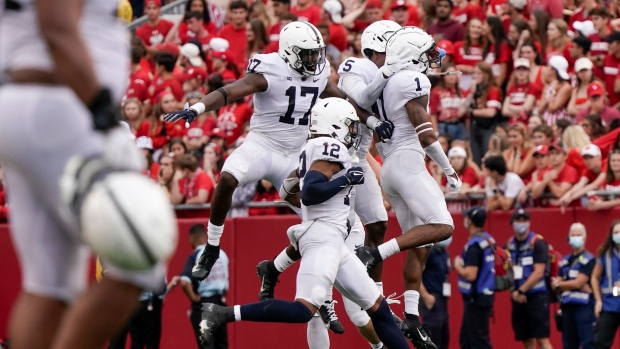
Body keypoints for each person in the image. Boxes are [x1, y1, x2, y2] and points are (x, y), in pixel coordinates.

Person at [164, 21, 395, 281]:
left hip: (297, 155)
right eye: (307, 54)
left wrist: (374, 121)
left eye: (316, 53)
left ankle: (290, 277)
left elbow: (344, 100)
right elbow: (230, 92)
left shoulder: (318, 72)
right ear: (289, 52)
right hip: (263, 145)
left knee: (328, 223)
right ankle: (212, 245)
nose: (314, 60)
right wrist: (197, 108)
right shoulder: (270, 69)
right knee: (228, 178)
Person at [0, 0, 171, 348]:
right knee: (140, 260)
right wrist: (103, 118)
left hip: (36, 105)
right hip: (62, 108)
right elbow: (57, 28)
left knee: (49, 285)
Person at [199, 98, 410, 349]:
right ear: (334, 125)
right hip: (323, 237)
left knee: (380, 309)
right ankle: (222, 314)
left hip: (333, 240)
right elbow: (310, 192)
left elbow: (292, 193)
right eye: (350, 126)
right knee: (303, 310)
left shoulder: (314, 147)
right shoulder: (329, 146)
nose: (353, 132)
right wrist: (344, 182)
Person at [355, 27, 461, 349]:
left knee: (420, 243)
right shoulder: (411, 81)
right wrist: (449, 169)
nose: (432, 57)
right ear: (411, 54)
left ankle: (412, 318)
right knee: (443, 226)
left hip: (390, 166)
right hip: (407, 162)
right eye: (427, 51)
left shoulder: (384, 83)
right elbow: (426, 133)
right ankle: (374, 253)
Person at [505, 209, 553, 349]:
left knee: (543, 340)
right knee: (527, 341)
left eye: (524, 220)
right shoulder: (509, 245)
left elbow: (539, 272)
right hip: (518, 298)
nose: (521, 223)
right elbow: (506, 272)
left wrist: (520, 291)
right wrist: (514, 292)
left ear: (529, 222)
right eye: (518, 220)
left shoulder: (537, 243)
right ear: (512, 223)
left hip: (537, 297)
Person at [179, 224, 229, 349]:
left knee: (206, 345)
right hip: (221, 303)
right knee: (222, 344)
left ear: (192, 238)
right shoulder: (221, 253)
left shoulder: (195, 256)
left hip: (204, 304)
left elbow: (184, 282)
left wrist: (194, 298)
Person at [455, 206, 496, 349]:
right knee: (466, 339)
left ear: (471, 221)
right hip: (484, 296)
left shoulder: (474, 245)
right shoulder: (488, 240)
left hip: (477, 298)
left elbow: (470, 274)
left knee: (479, 342)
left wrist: (457, 266)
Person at [552, 223, 595, 349]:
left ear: (584, 238)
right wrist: (564, 284)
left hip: (584, 307)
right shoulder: (565, 260)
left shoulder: (589, 259)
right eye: (573, 235)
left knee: (588, 343)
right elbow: (554, 284)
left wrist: (561, 284)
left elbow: (578, 282)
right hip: (566, 307)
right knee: (569, 345)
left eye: (578, 235)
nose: (575, 237)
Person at [591, 220, 620, 348]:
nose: (618, 234)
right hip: (610, 305)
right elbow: (595, 278)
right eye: (616, 232)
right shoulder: (605, 254)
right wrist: (598, 300)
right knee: (600, 343)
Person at [420, 238, 452, 349]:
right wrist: (425, 296)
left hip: (442, 301)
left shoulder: (444, 253)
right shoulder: (429, 252)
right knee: (433, 339)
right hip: (431, 299)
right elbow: (416, 275)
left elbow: (446, 276)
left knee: (444, 337)